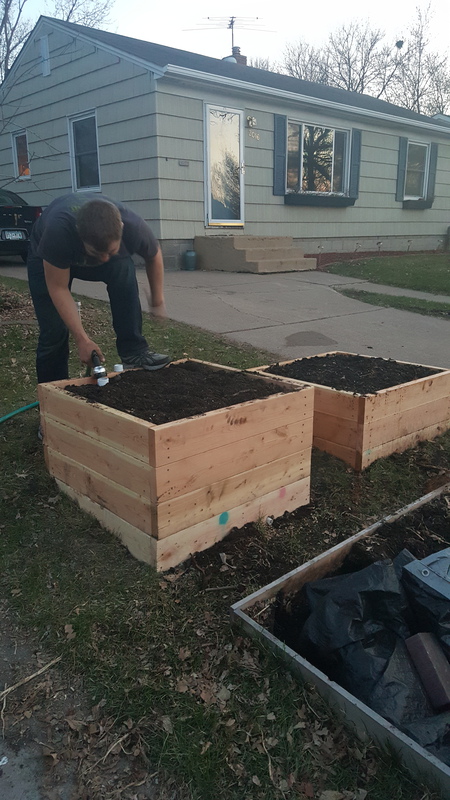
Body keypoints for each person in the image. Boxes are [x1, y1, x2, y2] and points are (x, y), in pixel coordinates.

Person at [27, 192, 170, 383]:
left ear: (121, 228)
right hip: (46, 258)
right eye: (97, 252)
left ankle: (133, 352)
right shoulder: (58, 232)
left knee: (122, 267)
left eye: (111, 251)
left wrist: (157, 300)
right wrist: (82, 339)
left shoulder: (133, 225)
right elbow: (58, 288)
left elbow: (154, 255)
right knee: (54, 330)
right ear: (79, 235)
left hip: (85, 245)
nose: (104, 259)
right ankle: (52, 390)